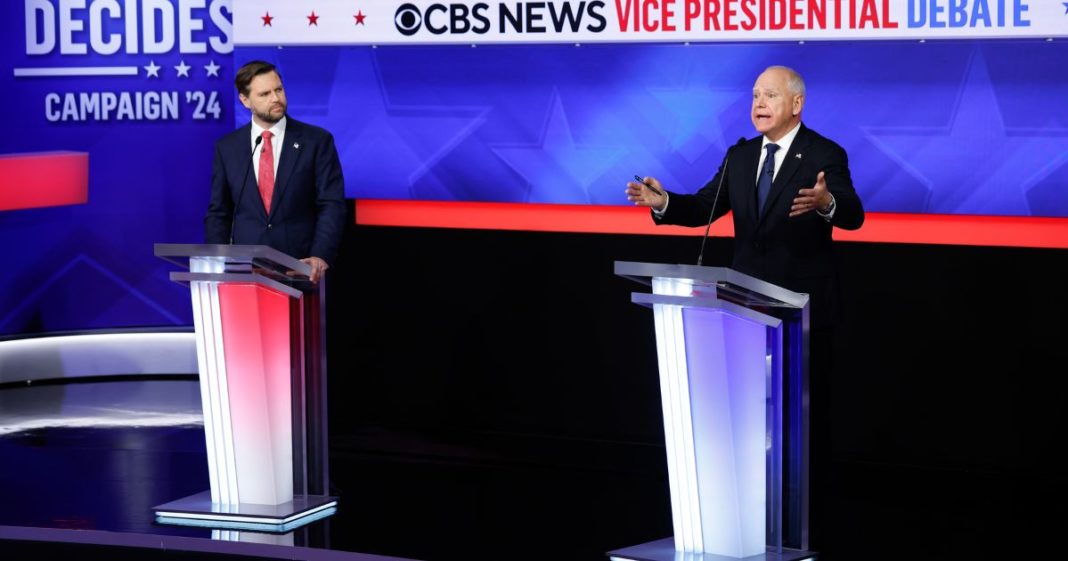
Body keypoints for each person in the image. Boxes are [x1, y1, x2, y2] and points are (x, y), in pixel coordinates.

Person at [625, 65, 864, 555]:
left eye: (770, 94)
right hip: (742, 313)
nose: (758, 102)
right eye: (755, 94)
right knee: (750, 427)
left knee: (801, 433)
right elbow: (704, 208)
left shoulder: (823, 154)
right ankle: (747, 529)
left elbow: (853, 213)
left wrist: (825, 203)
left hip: (801, 317)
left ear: (796, 104)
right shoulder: (740, 155)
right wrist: (665, 201)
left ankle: (805, 534)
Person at [205, 60, 345, 282]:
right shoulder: (228, 148)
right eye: (264, 94)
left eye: (278, 89)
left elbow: (331, 205)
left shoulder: (316, 141)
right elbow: (219, 212)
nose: (276, 99)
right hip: (246, 271)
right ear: (245, 100)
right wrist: (215, 261)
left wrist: (320, 255)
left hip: (301, 269)